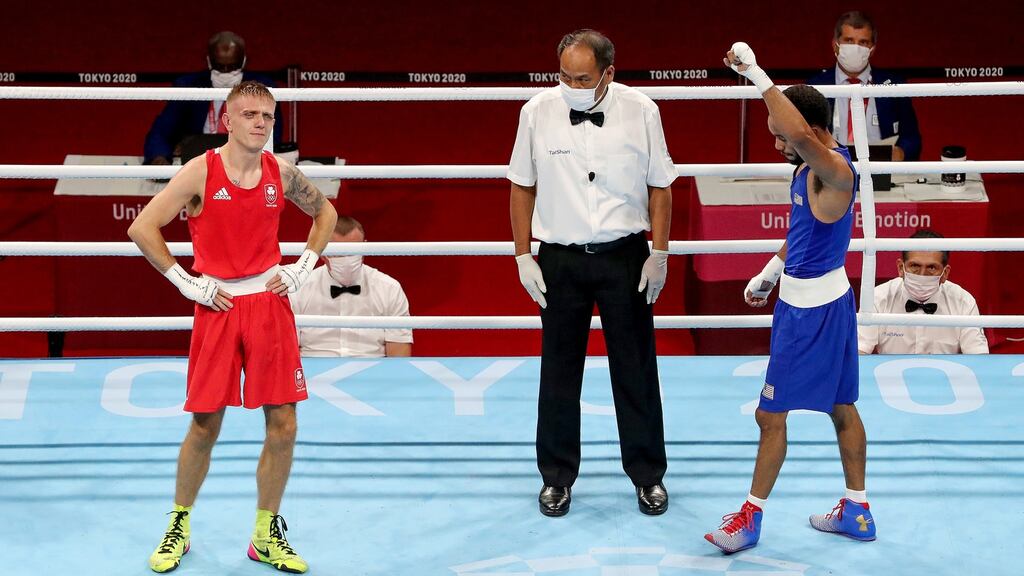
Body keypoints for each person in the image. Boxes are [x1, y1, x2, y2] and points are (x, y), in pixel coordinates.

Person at [129, 80, 337, 573]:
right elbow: (142, 226)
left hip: (269, 306)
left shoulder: (281, 174)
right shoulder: (200, 171)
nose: (259, 124)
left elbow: (325, 212)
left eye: (267, 116)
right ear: (227, 120)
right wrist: (186, 281)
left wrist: (303, 265)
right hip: (217, 305)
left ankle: (266, 532)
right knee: (205, 425)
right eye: (249, 115)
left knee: (283, 424)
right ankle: (179, 522)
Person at [704, 43, 874, 553]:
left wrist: (755, 71)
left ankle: (751, 519)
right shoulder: (808, 172)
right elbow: (802, 229)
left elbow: (798, 133)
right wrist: (772, 269)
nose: (777, 143)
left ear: (809, 129)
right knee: (841, 405)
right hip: (818, 299)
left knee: (769, 415)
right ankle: (858, 510)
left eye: (782, 134)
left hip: (811, 313)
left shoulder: (837, 173)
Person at [508, 29, 676, 518]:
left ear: (609, 72)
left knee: (636, 370)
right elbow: (522, 185)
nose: (571, 85)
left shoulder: (642, 110)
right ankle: (556, 479)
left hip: (626, 256)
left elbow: (661, 187)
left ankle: (648, 477)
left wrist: (659, 252)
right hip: (560, 259)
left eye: (582, 77)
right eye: (563, 75)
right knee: (558, 373)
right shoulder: (536, 111)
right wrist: (522, 255)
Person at [143, 31, 282, 165]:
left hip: (245, 159)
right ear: (209, 61)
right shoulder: (188, 86)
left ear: (244, 61)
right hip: (198, 158)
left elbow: (272, 133)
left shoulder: (263, 88)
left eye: (233, 67)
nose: (225, 72)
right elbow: (162, 128)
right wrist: (159, 156)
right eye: (219, 67)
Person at [290, 216, 413, 357]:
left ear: (365, 248)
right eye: (339, 254)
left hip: (373, 371)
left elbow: (399, 354)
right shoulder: (299, 288)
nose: (347, 260)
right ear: (322, 252)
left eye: (352, 252)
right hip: (313, 371)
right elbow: (288, 350)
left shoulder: (390, 288)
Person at [807, 11, 921, 161]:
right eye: (849, 40)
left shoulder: (893, 84)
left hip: (882, 171)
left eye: (863, 42)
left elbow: (912, 137)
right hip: (830, 169)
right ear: (835, 45)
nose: (856, 47)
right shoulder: (815, 86)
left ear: (872, 48)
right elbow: (802, 136)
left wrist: (901, 152)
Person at [859, 229, 989, 354]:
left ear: (945, 273)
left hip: (946, 375)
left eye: (931, 267)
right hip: (889, 376)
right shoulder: (878, 297)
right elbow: (860, 353)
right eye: (915, 266)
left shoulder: (963, 302)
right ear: (900, 268)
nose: (922, 274)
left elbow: (978, 358)